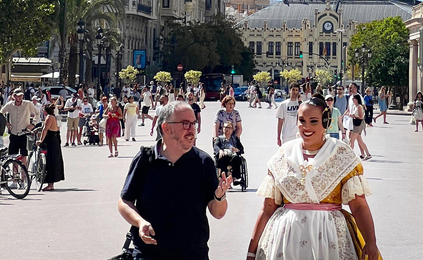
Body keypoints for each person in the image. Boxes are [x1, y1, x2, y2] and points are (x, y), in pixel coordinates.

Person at [248, 94, 381, 260]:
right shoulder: (283, 154)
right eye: (302, 120)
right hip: (285, 239)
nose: (306, 126)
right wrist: (251, 250)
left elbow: (359, 205)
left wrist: (371, 242)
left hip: (330, 238)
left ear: (325, 123)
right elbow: (268, 208)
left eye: (313, 121)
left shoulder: (341, 154)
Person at [118, 102, 232, 260]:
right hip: (149, 254)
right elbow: (124, 201)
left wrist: (220, 196)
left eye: (193, 123)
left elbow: (218, 213)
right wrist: (140, 222)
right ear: (166, 128)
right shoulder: (145, 159)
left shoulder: (203, 162)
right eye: (185, 124)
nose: (192, 129)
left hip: (193, 254)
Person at [1, 89, 39, 166]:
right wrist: (6, 123)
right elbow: (1, 113)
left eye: (21, 95)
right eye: (18, 96)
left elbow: (37, 113)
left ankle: (23, 176)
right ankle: (15, 176)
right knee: (13, 156)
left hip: (24, 133)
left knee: (23, 156)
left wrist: (33, 124)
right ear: (14, 96)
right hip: (14, 133)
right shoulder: (9, 105)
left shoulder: (28, 104)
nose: (20, 97)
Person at [36, 103, 65, 191]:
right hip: (55, 139)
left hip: (50, 141)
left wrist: (40, 140)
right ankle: (51, 184)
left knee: (49, 161)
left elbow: (45, 129)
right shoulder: (54, 117)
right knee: (53, 161)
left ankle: (50, 184)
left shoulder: (49, 117)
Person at [345, 94, 371, 160]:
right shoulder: (354, 106)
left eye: (354, 98)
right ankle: (368, 154)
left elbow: (361, 116)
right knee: (360, 141)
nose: (353, 100)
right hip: (355, 124)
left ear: (357, 99)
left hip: (358, 124)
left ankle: (350, 155)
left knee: (352, 140)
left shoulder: (359, 106)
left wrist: (353, 116)